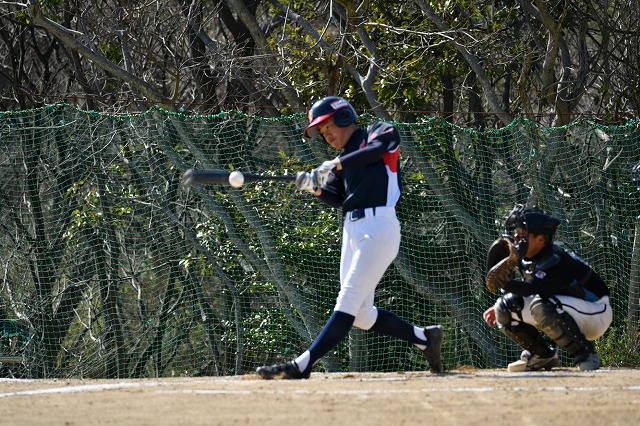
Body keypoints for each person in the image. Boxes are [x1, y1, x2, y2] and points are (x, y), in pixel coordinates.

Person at [256, 96, 444, 379]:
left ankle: (302, 365)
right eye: (322, 132)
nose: (326, 135)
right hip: (352, 229)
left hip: (379, 226)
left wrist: (333, 165)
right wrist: (314, 188)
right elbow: (338, 198)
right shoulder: (343, 160)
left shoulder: (377, 132)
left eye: (327, 126)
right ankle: (425, 338)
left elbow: (376, 151)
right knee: (361, 315)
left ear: (345, 117)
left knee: (347, 300)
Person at [483, 206, 612, 372]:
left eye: (522, 234)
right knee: (505, 306)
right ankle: (542, 355)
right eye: (516, 233)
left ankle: (587, 355)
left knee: (541, 305)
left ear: (541, 240)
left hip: (597, 312)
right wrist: (499, 305)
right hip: (570, 309)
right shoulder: (527, 258)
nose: (516, 238)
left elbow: (533, 289)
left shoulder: (554, 258)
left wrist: (504, 283)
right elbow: (527, 291)